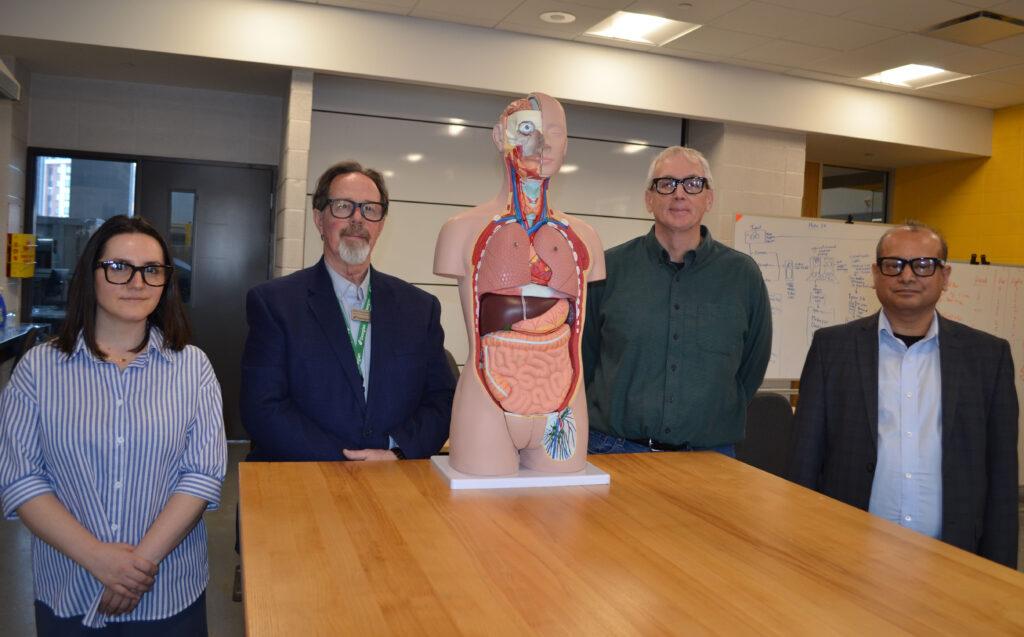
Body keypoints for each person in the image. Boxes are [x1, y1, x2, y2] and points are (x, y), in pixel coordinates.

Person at [0, 215, 227, 634]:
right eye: (119, 267)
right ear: (91, 274)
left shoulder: (193, 369)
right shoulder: (38, 369)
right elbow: (21, 479)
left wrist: (138, 567)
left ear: (165, 283)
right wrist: (100, 560)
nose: (137, 282)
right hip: (71, 585)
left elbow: (201, 477)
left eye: (152, 270)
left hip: (168, 590)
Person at [788, 222, 1019, 568]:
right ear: (875, 274)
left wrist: (1001, 574)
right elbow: (804, 461)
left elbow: (1002, 473)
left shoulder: (988, 356)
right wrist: (798, 551)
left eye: (923, 265)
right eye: (893, 264)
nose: (907, 276)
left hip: (953, 556)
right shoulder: (831, 348)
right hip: (847, 552)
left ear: (945, 275)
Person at [434, 92, 605, 476]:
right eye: (526, 130)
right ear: (499, 137)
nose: (541, 145)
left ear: (567, 145)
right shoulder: (459, 232)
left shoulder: (586, 238)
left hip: (564, 403)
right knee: (480, 524)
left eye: (554, 134)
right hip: (484, 401)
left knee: (560, 523)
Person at [241, 161, 454, 462]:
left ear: (380, 223)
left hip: (393, 477)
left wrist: (397, 452)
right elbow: (262, 407)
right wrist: (344, 462)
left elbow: (442, 400)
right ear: (319, 219)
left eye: (370, 209)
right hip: (304, 478)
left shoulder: (420, 308)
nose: (357, 218)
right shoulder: (274, 304)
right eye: (343, 206)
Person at [582, 146, 771, 457]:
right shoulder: (607, 269)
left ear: (709, 199)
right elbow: (584, 359)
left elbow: (751, 368)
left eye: (693, 184)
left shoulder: (742, 275)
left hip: (710, 458)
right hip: (615, 451)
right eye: (666, 184)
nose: (679, 194)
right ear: (649, 199)